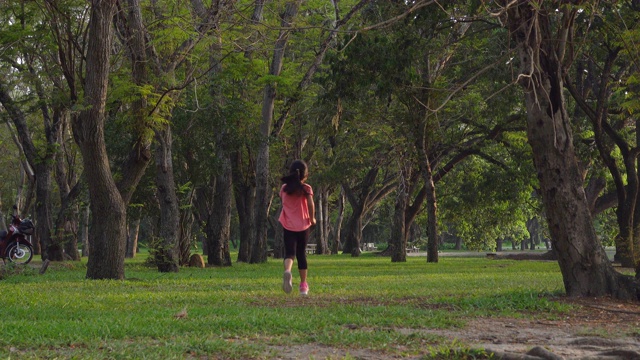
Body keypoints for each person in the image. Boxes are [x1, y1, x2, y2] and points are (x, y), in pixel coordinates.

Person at [278, 159, 316, 295]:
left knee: (290, 253)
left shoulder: (284, 188)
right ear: (305, 175)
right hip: (303, 226)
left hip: (288, 225)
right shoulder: (306, 188)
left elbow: (283, 200)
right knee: (301, 254)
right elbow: (311, 205)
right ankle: (303, 286)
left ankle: (287, 271)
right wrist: (312, 218)